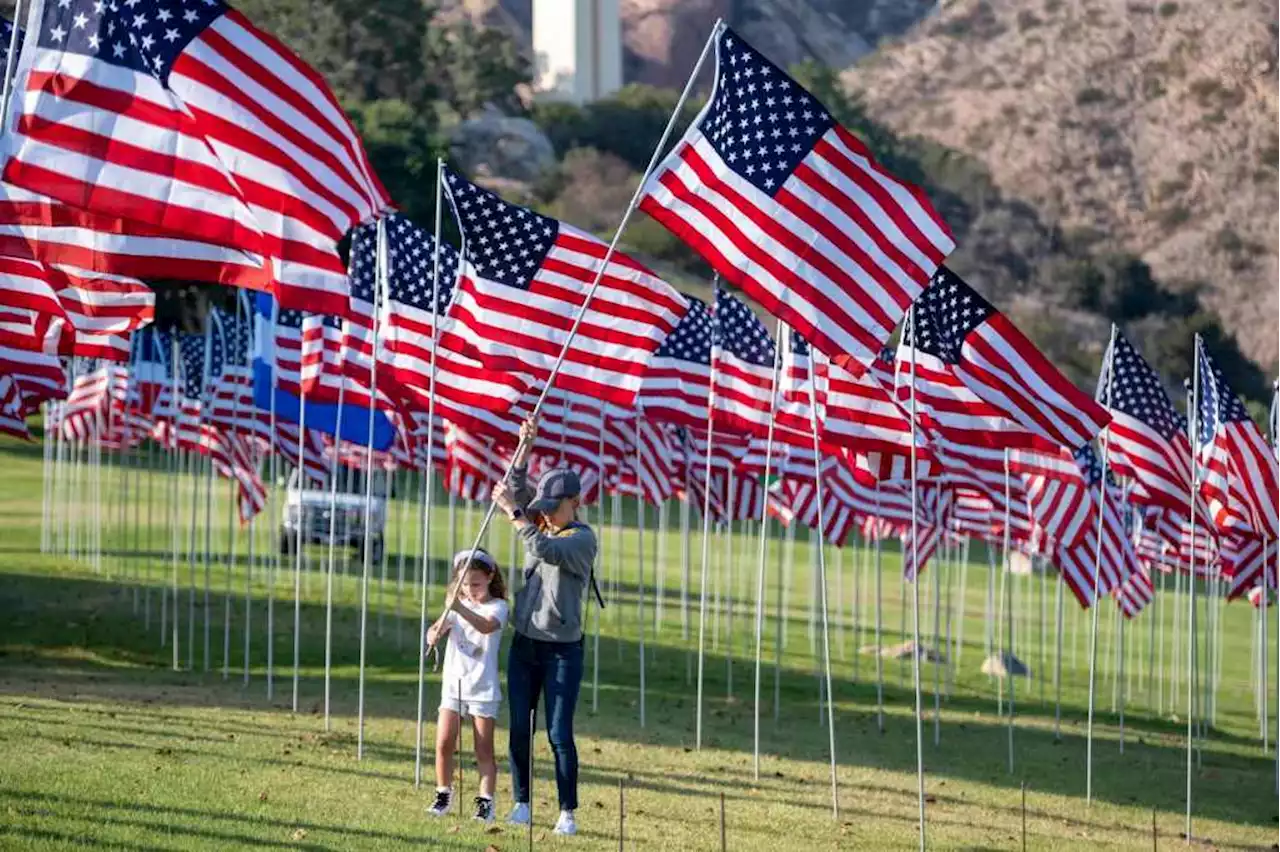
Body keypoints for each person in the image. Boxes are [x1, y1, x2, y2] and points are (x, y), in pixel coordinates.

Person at [491, 415, 600, 837]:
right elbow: (515, 488)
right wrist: (525, 445)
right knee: (520, 725)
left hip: (562, 652)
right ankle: (521, 802)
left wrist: (516, 516)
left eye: (552, 508)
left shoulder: (581, 539)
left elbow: (544, 549)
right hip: (525, 646)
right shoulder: (541, 522)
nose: (546, 515)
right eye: (544, 509)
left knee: (557, 732)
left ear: (572, 502)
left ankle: (567, 811)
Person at [425, 547, 509, 823]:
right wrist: (434, 634)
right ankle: (442, 794)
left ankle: (485, 803)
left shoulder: (498, 606)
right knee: (444, 744)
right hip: (453, 685)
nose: (471, 590)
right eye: (465, 584)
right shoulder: (457, 604)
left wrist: (459, 607)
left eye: (476, 584)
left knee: (483, 749)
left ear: (489, 577)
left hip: (482, 688)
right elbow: (436, 629)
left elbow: (486, 626)